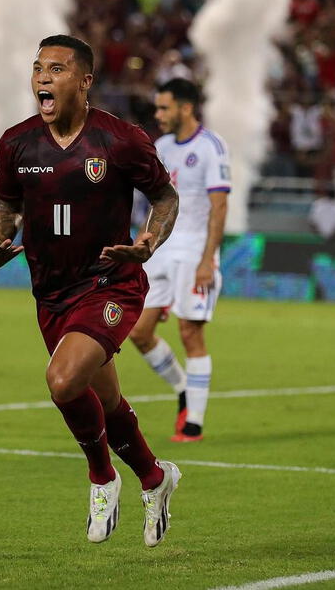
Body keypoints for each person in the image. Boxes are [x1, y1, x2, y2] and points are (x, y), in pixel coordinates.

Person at [0, 35, 181, 547]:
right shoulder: (16, 143)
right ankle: (155, 477)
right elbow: (8, 207)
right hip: (52, 293)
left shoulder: (120, 140)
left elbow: (165, 197)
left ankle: (101, 478)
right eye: (38, 67)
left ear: (84, 81)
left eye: (56, 68)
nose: (42, 77)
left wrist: (150, 241)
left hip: (111, 283)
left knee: (63, 382)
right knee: (105, 401)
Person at [128, 78, 231, 443]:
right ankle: (185, 389)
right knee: (139, 332)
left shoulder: (211, 147)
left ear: (186, 108)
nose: (157, 115)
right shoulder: (161, 146)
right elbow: (155, 202)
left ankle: (194, 422)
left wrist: (208, 260)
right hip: (161, 249)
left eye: (164, 108)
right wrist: (144, 243)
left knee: (190, 333)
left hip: (193, 251)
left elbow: (219, 208)